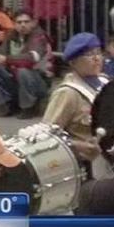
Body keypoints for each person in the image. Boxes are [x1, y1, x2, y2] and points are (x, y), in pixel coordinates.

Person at [44, 33, 108, 181]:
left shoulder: (105, 82)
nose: (96, 58)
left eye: (98, 52)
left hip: (108, 161)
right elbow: (47, 135)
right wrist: (78, 145)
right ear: (73, 62)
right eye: (88, 55)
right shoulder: (68, 93)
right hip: (84, 165)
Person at [0, 10, 52, 118]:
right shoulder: (12, 35)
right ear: (14, 24)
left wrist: (7, 59)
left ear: (33, 23)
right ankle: (7, 103)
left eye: (26, 22)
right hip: (15, 78)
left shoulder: (39, 36)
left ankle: (29, 107)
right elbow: (1, 52)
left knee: (23, 70)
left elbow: (32, 58)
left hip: (39, 81)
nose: (23, 25)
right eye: (19, 22)